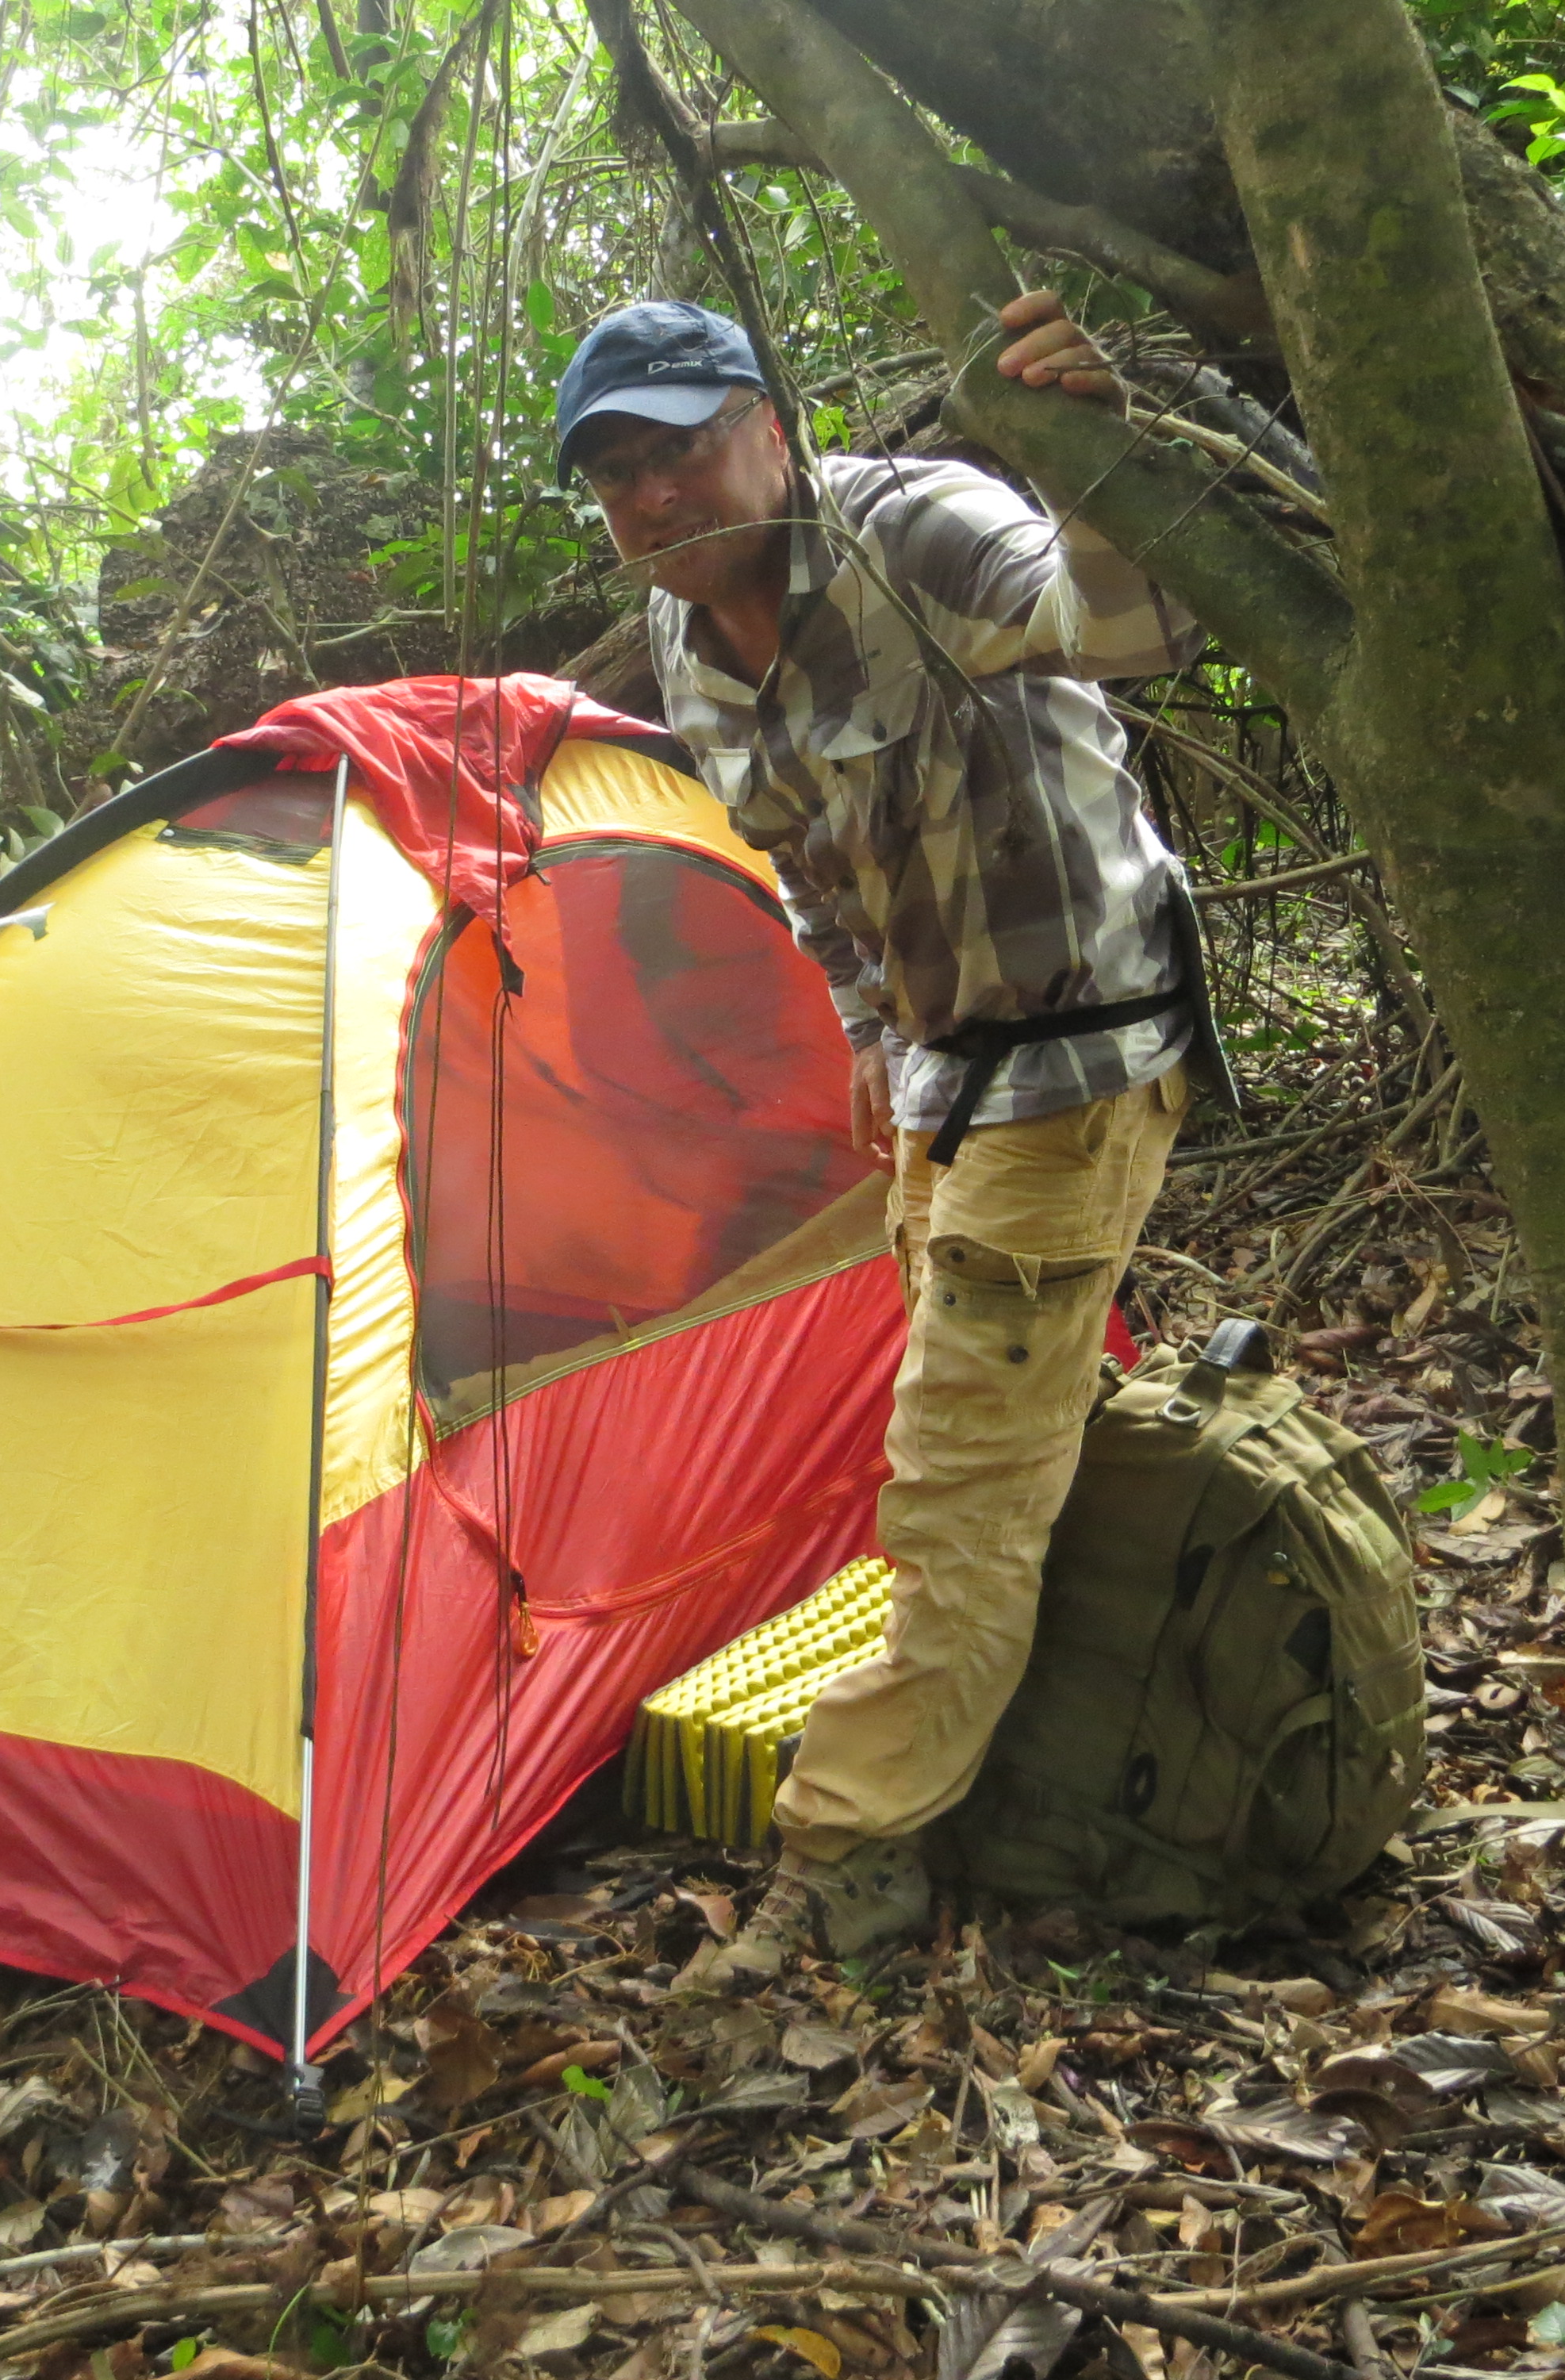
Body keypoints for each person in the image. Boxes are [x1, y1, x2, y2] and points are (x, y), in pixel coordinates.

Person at [550, 295, 1212, 1989]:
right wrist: (858, 1026)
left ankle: (849, 1860)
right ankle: (1087, 1678)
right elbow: (796, 860)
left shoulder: (917, 526)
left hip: (1074, 1062)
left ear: (767, 420)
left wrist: (1091, 454)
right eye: (616, 471)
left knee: (952, 1485)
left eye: (679, 446)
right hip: (935, 1076)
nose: (652, 496)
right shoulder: (687, 635)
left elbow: (1129, 623)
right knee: (991, 1420)